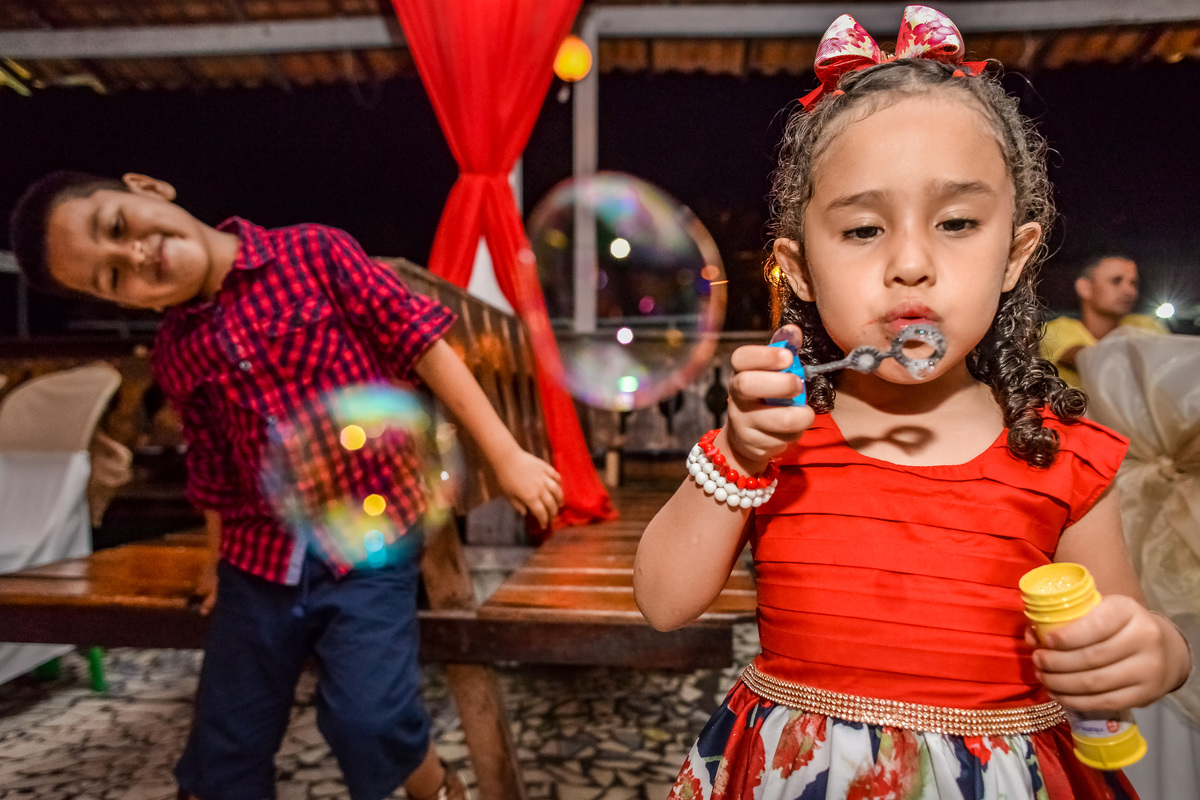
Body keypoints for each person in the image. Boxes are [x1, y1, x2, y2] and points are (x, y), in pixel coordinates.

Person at [633, 7, 1192, 800]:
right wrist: (736, 455)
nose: (911, 263)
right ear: (797, 269)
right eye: (862, 230)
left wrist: (1155, 655)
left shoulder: (1055, 451)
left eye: (957, 222)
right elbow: (662, 601)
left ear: (1015, 254)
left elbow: (1130, 629)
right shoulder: (780, 439)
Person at [9, 170, 564, 800]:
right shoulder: (176, 351)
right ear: (121, 303)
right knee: (225, 748)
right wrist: (217, 559)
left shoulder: (313, 253)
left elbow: (424, 344)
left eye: (116, 226)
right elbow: (212, 463)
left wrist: (506, 454)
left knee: (369, 719)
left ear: (148, 188)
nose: (134, 255)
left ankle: (438, 786)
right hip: (257, 560)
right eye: (112, 277)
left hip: (370, 544)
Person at [1042, 255, 1167, 388]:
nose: (1129, 290)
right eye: (1116, 281)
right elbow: (1085, 360)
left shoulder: (1147, 324)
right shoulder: (1056, 329)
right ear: (1085, 288)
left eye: (1133, 283)